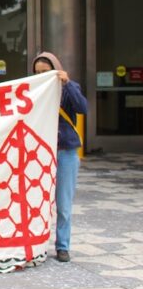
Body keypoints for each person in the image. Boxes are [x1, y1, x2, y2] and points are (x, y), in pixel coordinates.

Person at [32, 51, 88, 263]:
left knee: (63, 204)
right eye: (37, 73)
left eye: (46, 72)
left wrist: (67, 84)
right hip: (39, 153)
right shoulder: (33, 91)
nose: (41, 76)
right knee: (37, 201)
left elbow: (83, 108)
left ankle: (62, 246)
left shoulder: (68, 88)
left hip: (64, 152)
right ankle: (37, 244)